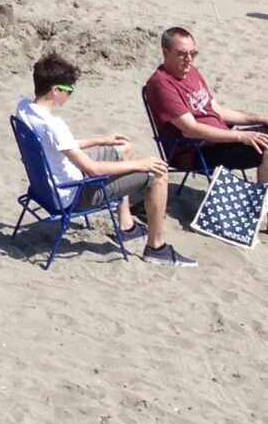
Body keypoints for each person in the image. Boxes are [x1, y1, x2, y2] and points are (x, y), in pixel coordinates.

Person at [14, 51, 192, 266]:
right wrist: (139, 164)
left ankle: (126, 226)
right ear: (55, 91)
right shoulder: (54, 125)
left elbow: (57, 145)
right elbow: (93, 170)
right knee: (157, 174)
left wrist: (101, 140)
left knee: (122, 147)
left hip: (46, 187)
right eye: (68, 90)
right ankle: (157, 247)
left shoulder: (24, 109)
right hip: (74, 194)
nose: (69, 95)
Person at [144, 27, 268, 237]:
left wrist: (262, 119)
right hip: (196, 150)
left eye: (193, 53)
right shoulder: (161, 84)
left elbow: (217, 110)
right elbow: (191, 130)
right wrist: (242, 136)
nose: (188, 59)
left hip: (222, 138)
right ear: (165, 52)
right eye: (182, 54)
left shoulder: (191, 72)